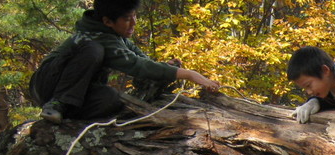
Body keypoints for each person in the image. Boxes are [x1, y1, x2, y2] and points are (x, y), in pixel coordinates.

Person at [29, 0, 220, 124]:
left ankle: (70, 115)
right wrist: (190, 74)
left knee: (112, 99)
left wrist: (166, 67)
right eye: (127, 19)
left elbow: (142, 61)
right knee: (92, 50)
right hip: (46, 85)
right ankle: (57, 105)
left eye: (134, 16)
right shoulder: (95, 37)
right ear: (107, 21)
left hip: (76, 92)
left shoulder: (117, 38)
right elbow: (138, 66)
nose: (134, 23)